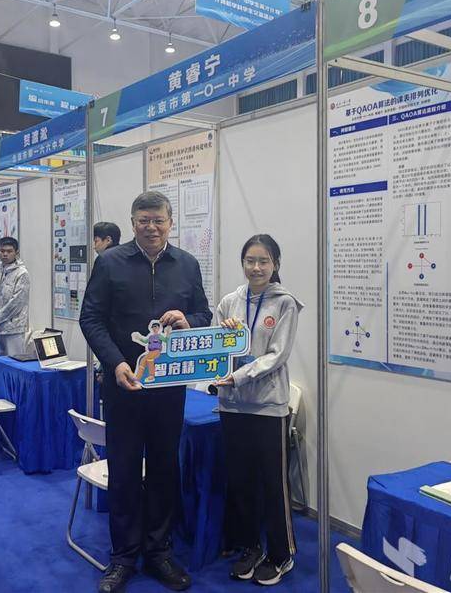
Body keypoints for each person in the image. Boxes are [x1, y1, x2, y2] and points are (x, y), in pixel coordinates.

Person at [80, 191, 211, 593]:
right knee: (123, 470)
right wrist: (115, 363)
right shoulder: (110, 262)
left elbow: (204, 314)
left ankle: (158, 552)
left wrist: (188, 321)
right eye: (144, 220)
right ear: (133, 222)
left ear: (171, 223)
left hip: (169, 388)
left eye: (158, 220)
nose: (151, 227)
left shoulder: (187, 264)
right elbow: (91, 318)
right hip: (124, 386)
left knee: (164, 469)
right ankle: (122, 557)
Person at [212, 234, 302, 586]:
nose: (256, 267)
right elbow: (217, 348)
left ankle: (281, 553)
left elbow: (277, 355)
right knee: (241, 480)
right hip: (232, 406)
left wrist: (238, 376)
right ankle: (250, 547)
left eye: (264, 261)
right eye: (250, 260)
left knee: (273, 483)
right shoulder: (229, 302)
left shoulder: (285, 303)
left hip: (268, 407)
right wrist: (223, 346)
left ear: (275, 264)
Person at [0, 236, 29, 357]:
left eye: (9, 251)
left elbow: (16, 302)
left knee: (13, 362)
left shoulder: (22, 273)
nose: (5, 254)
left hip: (13, 328)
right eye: (2, 251)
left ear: (16, 252)